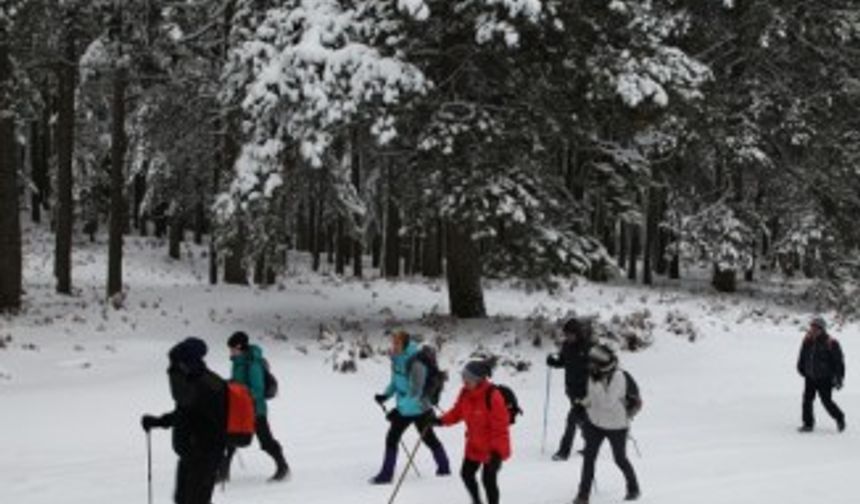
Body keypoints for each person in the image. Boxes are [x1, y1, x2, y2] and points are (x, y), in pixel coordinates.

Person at [141, 337, 226, 504]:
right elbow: (184, 413)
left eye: (176, 363)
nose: (172, 368)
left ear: (187, 362)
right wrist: (159, 421)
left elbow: (213, 422)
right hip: (190, 455)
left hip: (205, 456)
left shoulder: (209, 385)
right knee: (182, 500)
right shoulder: (191, 383)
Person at [371, 330, 450, 484]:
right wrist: (385, 396)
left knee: (429, 439)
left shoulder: (416, 363)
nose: (393, 345)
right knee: (392, 438)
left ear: (405, 344)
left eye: (397, 343)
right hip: (404, 407)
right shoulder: (396, 359)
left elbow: (416, 392)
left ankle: (444, 469)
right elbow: (395, 382)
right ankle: (386, 475)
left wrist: (397, 410)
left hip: (420, 408)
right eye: (392, 342)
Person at [435, 360, 511, 504]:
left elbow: (501, 428)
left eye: (468, 378)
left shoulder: (493, 396)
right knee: (466, 474)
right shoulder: (465, 393)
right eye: (463, 377)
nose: (464, 381)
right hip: (474, 444)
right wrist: (440, 421)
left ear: (479, 379)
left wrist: (497, 453)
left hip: (493, 447)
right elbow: (457, 412)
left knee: (488, 480)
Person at [573, 345, 640, 504]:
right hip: (595, 423)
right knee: (589, 458)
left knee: (620, 459)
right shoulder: (594, 375)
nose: (590, 365)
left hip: (616, 426)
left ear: (601, 363)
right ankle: (583, 496)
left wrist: (596, 381)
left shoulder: (618, 377)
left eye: (593, 363)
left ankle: (633, 488)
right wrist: (582, 404)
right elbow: (592, 398)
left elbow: (608, 402)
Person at [219, 331, 290, 482]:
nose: (230, 351)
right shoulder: (238, 363)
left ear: (239, 346)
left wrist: (237, 391)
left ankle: (283, 467)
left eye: (232, 348)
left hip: (255, 410)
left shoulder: (252, 364)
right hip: (240, 410)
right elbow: (239, 383)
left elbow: (257, 390)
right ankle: (223, 474)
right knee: (229, 439)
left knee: (265, 440)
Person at [546, 317, 594, 460]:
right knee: (582, 419)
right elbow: (563, 362)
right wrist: (553, 362)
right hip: (572, 390)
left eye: (570, 334)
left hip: (587, 392)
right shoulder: (566, 346)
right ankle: (591, 445)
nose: (568, 336)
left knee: (572, 419)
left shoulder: (588, 347)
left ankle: (563, 452)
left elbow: (600, 366)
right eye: (566, 334)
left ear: (577, 333)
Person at [797, 317, 846, 433]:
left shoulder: (831, 342)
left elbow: (839, 362)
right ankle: (808, 424)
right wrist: (800, 367)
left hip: (825, 378)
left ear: (822, 329)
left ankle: (840, 417)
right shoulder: (807, 340)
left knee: (826, 401)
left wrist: (839, 378)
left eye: (815, 328)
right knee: (807, 400)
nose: (812, 330)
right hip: (810, 377)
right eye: (812, 327)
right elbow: (802, 356)